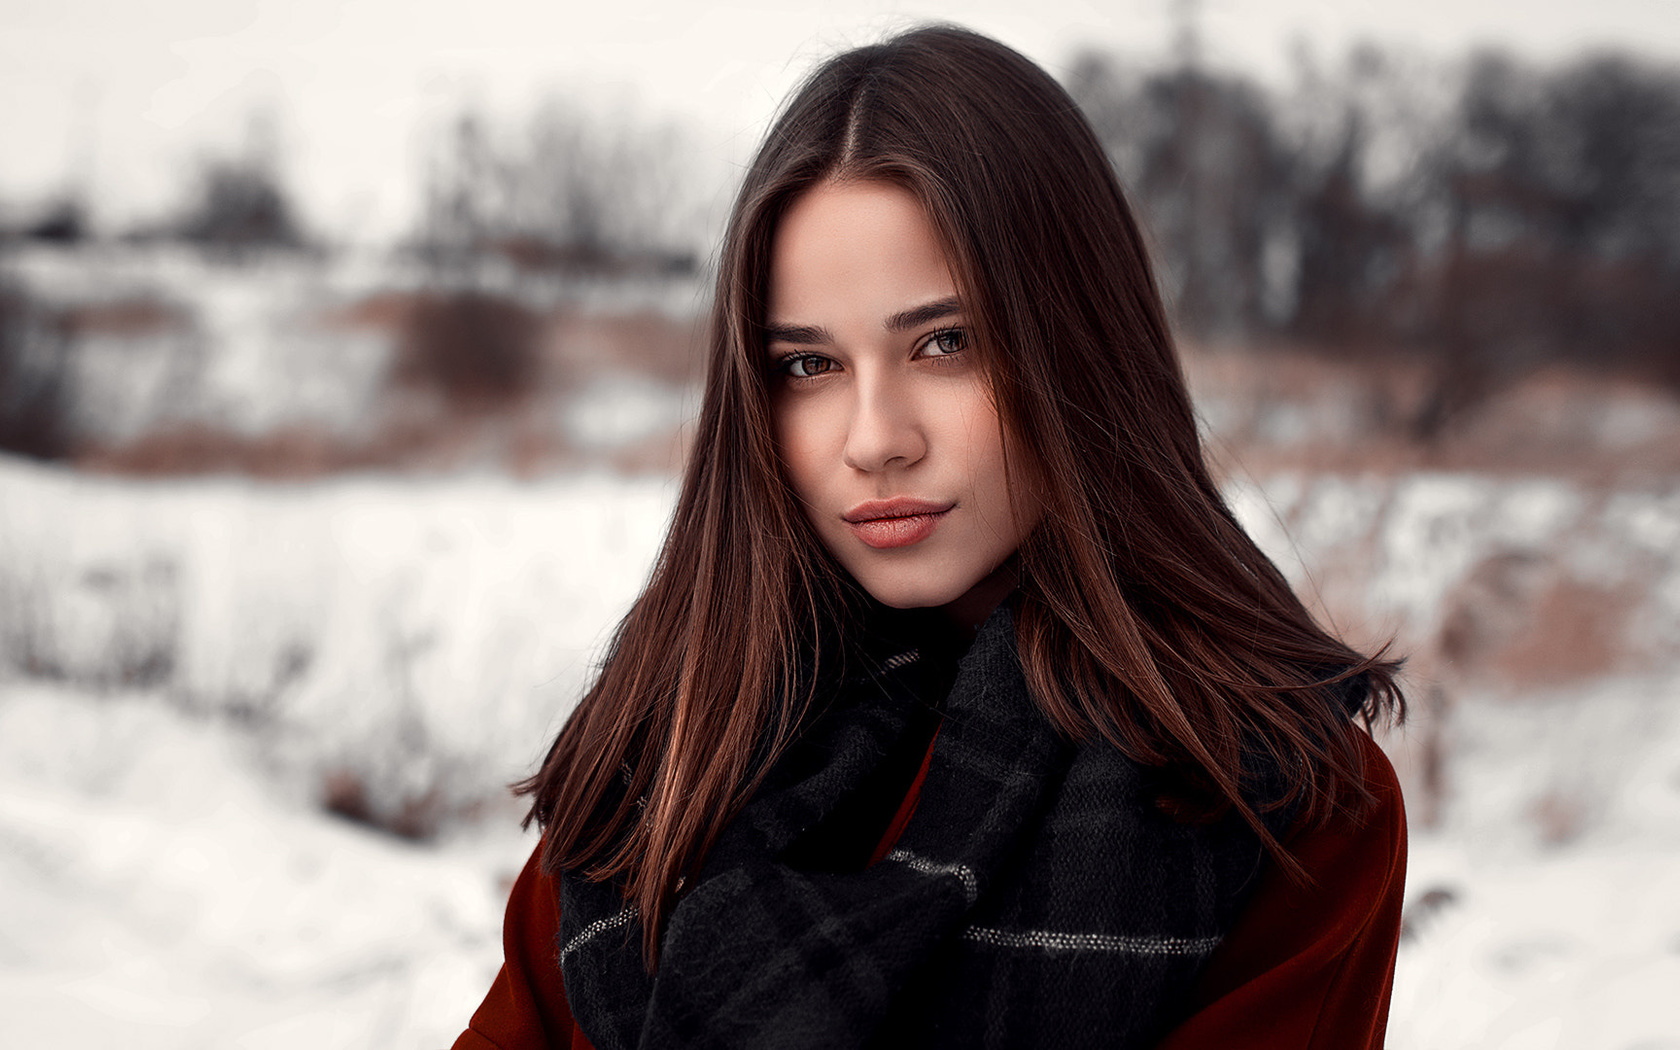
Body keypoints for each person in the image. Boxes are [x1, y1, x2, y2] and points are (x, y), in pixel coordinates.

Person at [454, 23, 1406, 1050]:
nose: (876, 441)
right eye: (808, 367)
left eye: (946, 344)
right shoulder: (667, 755)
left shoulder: (1275, 798)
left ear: (1081, 346)